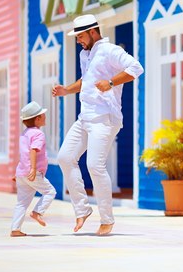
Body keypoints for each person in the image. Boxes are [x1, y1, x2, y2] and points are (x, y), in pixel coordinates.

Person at [52, 14, 144, 236]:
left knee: (95, 166)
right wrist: (67, 90)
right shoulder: (87, 54)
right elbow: (86, 80)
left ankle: (107, 219)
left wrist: (111, 82)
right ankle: (82, 209)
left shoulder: (110, 50)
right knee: (65, 157)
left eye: (81, 36)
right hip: (85, 117)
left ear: (93, 32)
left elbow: (136, 67)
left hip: (105, 118)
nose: (78, 41)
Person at [10, 101, 57, 237]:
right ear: (37, 119)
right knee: (50, 192)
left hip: (22, 173)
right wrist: (33, 169)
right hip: (32, 173)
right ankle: (37, 212)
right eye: (43, 115)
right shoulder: (38, 134)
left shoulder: (24, 134)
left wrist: (18, 173)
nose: (45, 117)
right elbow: (33, 150)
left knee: (21, 203)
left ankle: (15, 229)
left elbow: (23, 154)